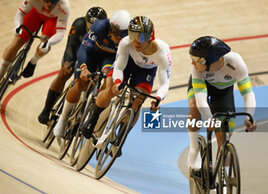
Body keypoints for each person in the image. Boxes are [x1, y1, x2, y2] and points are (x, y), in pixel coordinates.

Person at [81, 15, 172, 141]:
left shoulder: (163, 52)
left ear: (150, 37)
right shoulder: (125, 42)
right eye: (132, 35)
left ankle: (121, 135)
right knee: (110, 89)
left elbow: (164, 83)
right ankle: (93, 118)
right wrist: (118, 82)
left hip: (146, 71)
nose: (135, 41)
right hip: (127, 64)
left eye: (140, 37)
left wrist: (158, 99)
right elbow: (118, 68)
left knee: (138, 100)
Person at [53, 9, 132, 141]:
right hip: (91, 55)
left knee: (108, 83)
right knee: (80, 85)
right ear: (110, 28)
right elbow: (83, 49)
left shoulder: (127, 38)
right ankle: (62, 119)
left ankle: (93, 113)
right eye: (116, 35)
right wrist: (83, 68)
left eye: (121, 36)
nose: (118, 39)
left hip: (108, 59)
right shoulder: (99, 26)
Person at [186, 36, 257, 172]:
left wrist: (249, 117)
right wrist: (209, 119)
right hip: (202, 88)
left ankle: (222, 177)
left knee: (224, 137)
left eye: (196, 60)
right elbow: (201, 99)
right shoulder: (196, 69)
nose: (192, 63)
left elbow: (248, 93)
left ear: (211, 60)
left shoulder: (235, 62)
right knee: (194, 108)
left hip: (223, 92)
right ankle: (194, 148)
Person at [37, 6, 107, 125]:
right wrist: (68, 62)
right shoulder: (79, 24)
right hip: (77, 51)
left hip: (93, 57)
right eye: (89, 25)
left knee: (91, 80)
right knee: (65, 73)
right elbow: (70, 45)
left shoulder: (106, 32)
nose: (92, 29)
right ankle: (46, 109)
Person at [0, 0, 70, 79]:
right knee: (17, 41)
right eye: (46, 2)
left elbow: (60, 33)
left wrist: (48, 43)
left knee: (44, 44)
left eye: (52, 4)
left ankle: (34, 61)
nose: (48, 6)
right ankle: (1, 71)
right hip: (35, 12)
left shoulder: (64, 7)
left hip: (52, 19)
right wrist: (17, 26)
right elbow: (21, 13)